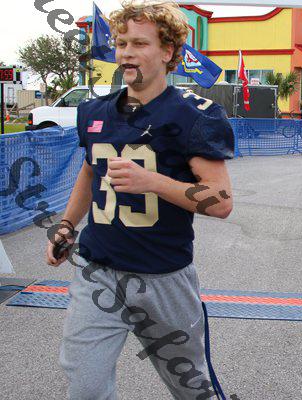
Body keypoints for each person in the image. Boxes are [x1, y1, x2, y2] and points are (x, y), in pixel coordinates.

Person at [45, 2, 233, 399]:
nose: (127, 53)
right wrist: (67, 225)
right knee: (85, 385)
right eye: (122, 43)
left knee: (190, 386)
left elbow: (220, 201)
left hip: (162, 276)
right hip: (98, 271)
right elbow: (89, 172)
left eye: (140, 44)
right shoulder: (94, 111)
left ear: (168, 52)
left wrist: (153, 182)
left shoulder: (193, 115)